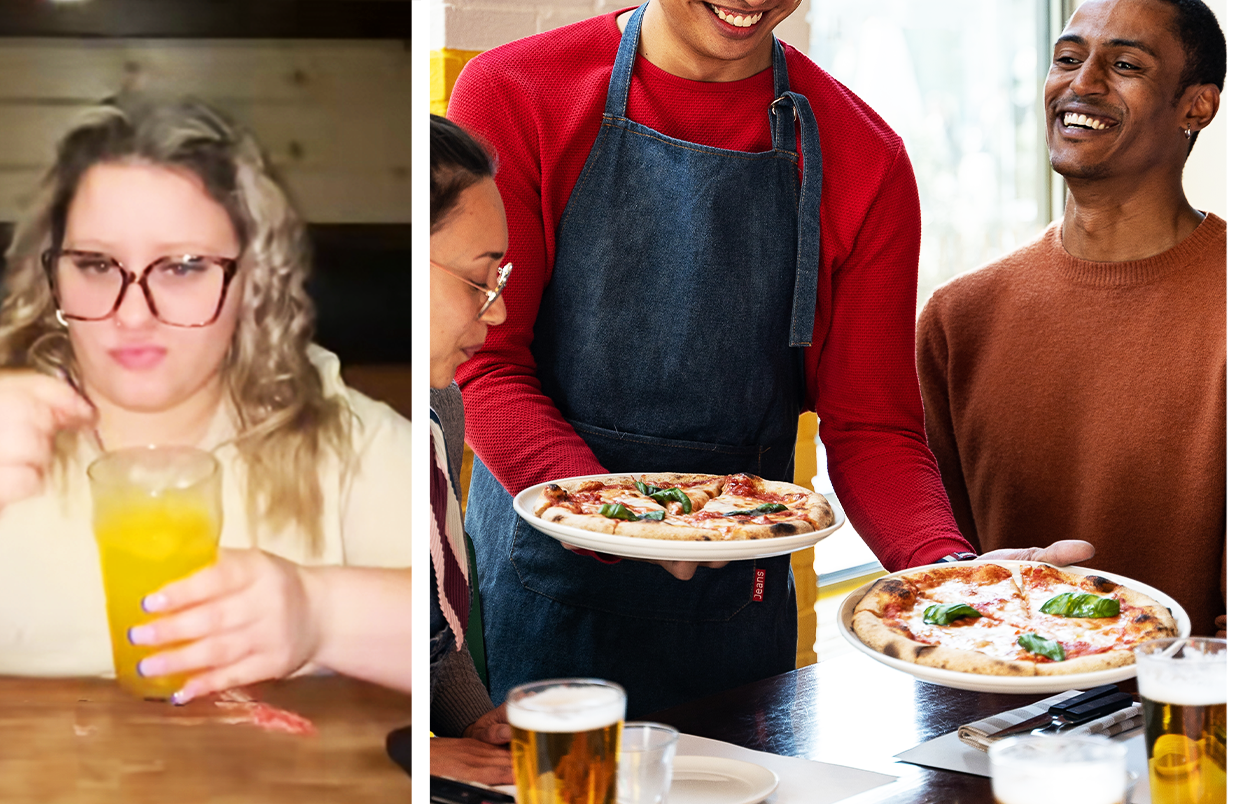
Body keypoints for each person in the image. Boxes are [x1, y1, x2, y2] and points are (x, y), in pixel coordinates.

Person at [445, 1, 1084, 715]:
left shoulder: (863, 153)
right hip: (543, 586)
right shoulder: (514, 91)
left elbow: (872, 427)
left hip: (733, 613)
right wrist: (618, 516)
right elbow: (485, 365)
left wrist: (947, 572)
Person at [0, 97, 413, 697]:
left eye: (182, 267)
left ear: (253, 281)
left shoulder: (331, 428)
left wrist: (321, 614)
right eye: (96, 265)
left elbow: (462, 635)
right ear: (53, 277)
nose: (133, 315)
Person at [917, 0, 1226, 635]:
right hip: (990, 689)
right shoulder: (957, 319)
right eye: (1066, 58)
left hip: (1186, 694)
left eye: (1125, 65)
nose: (1082, 83)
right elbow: (935, 573)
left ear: (1196, 106)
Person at [428, 114, 513, 785]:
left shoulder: (441, 407)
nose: (498, 311)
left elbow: (438, 645)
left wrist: (475, 722)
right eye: (479, 281)